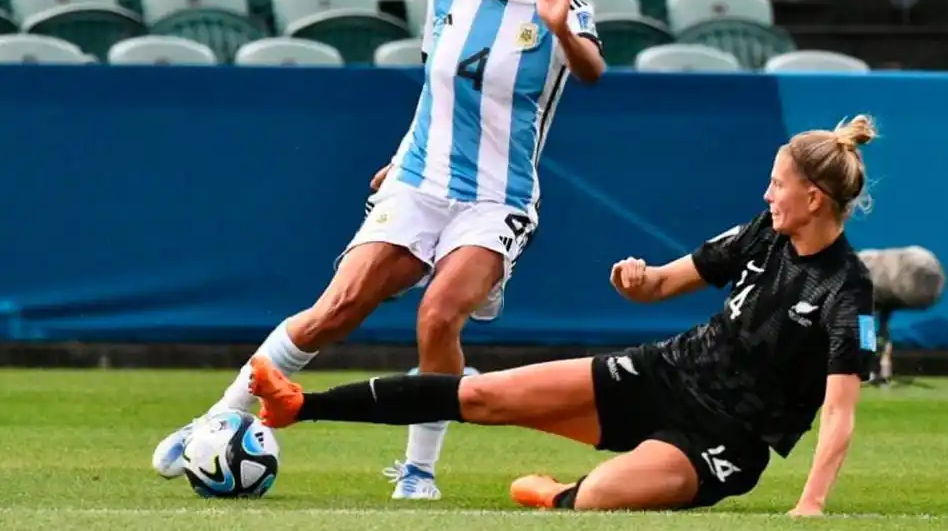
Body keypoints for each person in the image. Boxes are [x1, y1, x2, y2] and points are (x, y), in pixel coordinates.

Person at [151, 0, 605, 502]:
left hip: (495, 196)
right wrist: (401, 155)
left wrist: (561, 28)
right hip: (419, 182)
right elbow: (437, 95)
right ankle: (220, 418)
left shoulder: (564, 11)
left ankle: (418, 471)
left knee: (437, 317)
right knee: (335, 310)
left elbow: (591, 71)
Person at [247, 116, 880, 515]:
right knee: (488, 395)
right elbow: (663, 284)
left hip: (726, 440)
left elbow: (841, 414)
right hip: (665, 372)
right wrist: (637, 280)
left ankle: (557, 493)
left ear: (814, 197)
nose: (768, 194)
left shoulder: (849, 290)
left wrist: (811, 505)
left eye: (777, 184)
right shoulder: (760, 233)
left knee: (602, 497)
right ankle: (301, 406)